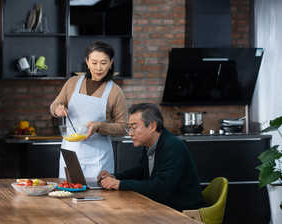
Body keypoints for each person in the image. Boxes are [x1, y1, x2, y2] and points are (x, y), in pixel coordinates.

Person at [97, 103, 205, 211]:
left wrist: (120, 184)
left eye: (134, 128)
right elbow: (141, 171)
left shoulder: (172, 147)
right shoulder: (151, 144)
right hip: (164, 208)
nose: (130, 133)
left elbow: (160, 188)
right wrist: (115, 177)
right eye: (129, 128)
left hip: (184, 213)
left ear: (152, 126)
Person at [50, 40, 127, 178]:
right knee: (68, 196)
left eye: (103, 63)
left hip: (99, 159)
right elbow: (55, 104)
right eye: (94, 62)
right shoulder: (72, 83)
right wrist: (57, 109)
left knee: (98, 198)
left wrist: (99, 126)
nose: (98, 68)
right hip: (71, 153)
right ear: (87, 62)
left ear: (111, 63)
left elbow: (123, 127)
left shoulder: (115, 92)